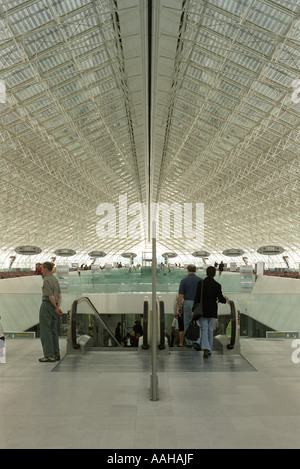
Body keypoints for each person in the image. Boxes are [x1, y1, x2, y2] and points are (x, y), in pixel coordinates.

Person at [193, 265, 229, 358]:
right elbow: (220, 298)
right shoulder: (217, 285)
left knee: (204, 329)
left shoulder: (200, 284)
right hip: (212, 310)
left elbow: (197, 298)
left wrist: (193, 310)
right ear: (214, 274)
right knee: (210, 330)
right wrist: (225, 299)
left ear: (206, 273)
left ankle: (206, 348)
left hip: (202, 310)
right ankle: (209, 349)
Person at [39, 262, 62, 362]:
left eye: (42, 268)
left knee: (46, 331)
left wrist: (54, 306)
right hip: (55, 307)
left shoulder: (47, 280)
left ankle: (49, 355)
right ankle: (56, 353)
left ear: (45, 269)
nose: (41, 270)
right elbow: (60, 295)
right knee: (53, 330)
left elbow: (50, 296)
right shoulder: (55, 279)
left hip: (48, 305)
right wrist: (57, 307)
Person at [177, 264, 201, 350]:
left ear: (187, 270)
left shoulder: (184, 281)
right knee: (198, 323)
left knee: (186, 322)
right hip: (198, 304)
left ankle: (189, 343)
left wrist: (179, 307)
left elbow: (180, 295)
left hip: (187, 303)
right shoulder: (200, 280)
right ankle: (197, 342)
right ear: (195, 270)